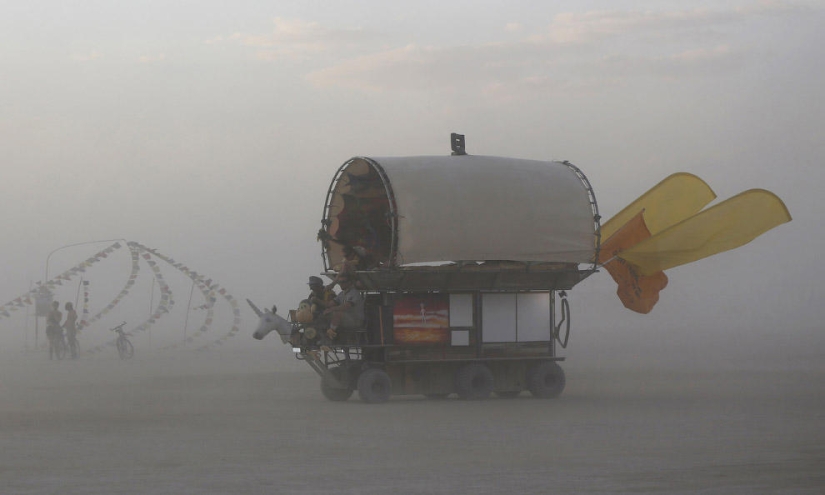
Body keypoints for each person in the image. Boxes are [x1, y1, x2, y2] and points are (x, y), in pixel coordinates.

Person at [321, 274, 364, 349]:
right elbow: (330, 304)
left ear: (350, 282)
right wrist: (319, 298)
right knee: (325, 314)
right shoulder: (342, 294)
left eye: (343, 282)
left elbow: (346, 306)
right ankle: (323, 336)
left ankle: (330, 337)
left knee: (338, 313)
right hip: (346, 319)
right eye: (340, 282)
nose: (341, 284)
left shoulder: (354, 293)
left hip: (355, 320)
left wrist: (332, 309)